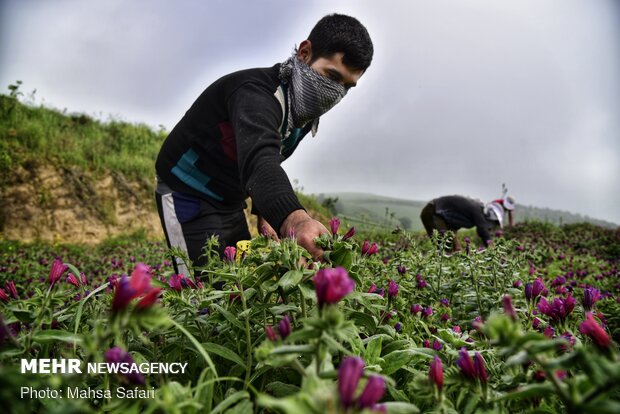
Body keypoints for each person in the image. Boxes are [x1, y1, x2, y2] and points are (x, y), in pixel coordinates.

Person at [155, 14, 374, 275]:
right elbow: (259, 159)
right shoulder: (255, 95)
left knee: (240, 288)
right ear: (305, 53)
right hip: (187, 194)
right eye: (331, 76)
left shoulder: (302, 111)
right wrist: (296, 219)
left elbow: (272, 154)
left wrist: (264, 211)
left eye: (347, 87)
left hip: (232, 200)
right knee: (201, 295)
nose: (335, 93)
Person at [420, 195, 516, 251]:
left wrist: (457, 244)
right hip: (432, 211)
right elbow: (483, 230)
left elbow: (452, 226)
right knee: (444, 248)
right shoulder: (477, 212)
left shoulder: (474, 214)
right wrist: (493, 250)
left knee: (453, 249)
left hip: (438, 214)